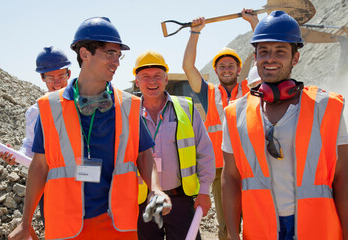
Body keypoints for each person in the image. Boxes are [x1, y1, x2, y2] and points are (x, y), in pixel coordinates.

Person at [8, 17, 171, 240]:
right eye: (109, 53)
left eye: (118, 54)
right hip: (66, 225)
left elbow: (144, 153)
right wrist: (25, 223)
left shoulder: (128, 106)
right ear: (85, 54)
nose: (117, 62)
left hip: (116, 223)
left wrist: (155, 188)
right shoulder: (49, 107)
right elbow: (39, 166)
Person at [221, 11, 348, 239]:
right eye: (264, 52)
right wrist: (232, 234)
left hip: (316, 228)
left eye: (280, 51)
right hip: (261, 229)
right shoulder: (235, 113)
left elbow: (344, 176)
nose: (270, 58)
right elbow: (230, 177)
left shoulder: (327, 107)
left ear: (295, 58)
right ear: (256, 57)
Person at [182, 9, 258, 240]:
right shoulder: (208, 92)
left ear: (238, 69)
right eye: (222, 66)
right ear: (215, 70)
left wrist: (254, 23)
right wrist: (195, 32)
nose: (226, 69)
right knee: (227, 224)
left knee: (255, 219)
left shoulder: (250, 88)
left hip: (250, 163)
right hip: (220, 168)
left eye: (231, 66)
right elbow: (188, 67)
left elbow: (262, 56)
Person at [134, 50, 215, 240]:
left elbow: (204, 152)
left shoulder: (186, 108)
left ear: (166, 79)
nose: (152, 81)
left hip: (180, 201)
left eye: (157, 76)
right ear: (136, 81)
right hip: (141, 202)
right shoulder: (128, 112)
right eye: (145, 76)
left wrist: (204, 192)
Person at [0, 46, 72, 225]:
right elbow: (31, 145)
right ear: (42, 78)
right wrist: (16, 156)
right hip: (49, 184)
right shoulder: (35, 111)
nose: (57, 83)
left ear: (69, 74)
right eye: (50, 78)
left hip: (82, 182)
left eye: (61, 76)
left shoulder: (83, 105)